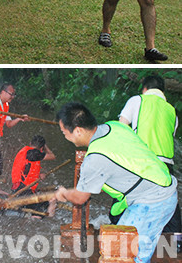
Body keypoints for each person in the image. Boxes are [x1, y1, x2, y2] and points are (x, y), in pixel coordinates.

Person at [54, 102, 176, 263]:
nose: (65, 136)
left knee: (125, 255)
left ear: (77, 131)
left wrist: (64, 193)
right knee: (123, 250)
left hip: (153, 201)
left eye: (64, 133)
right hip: (163, 186)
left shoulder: (94, 158)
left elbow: (80, 197)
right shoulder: (115, 127)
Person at [118, 75, 178, 172]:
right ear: (163, 92)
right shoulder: (172, 111)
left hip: (142, 160)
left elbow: (121, 128)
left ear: (145, 89)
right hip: (166, 166)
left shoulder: (137, 100)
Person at [10, 135, 57, 218]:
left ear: (30, 143)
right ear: (42, 148)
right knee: (52, 200)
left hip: (17, 190)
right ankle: (44, 218)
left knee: (45, 202)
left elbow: (25, 170)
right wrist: (46, 147)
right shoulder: (34, 153)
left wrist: (38, 175)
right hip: (24, 192)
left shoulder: (25, 151)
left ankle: (34, 215)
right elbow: (53, 156)